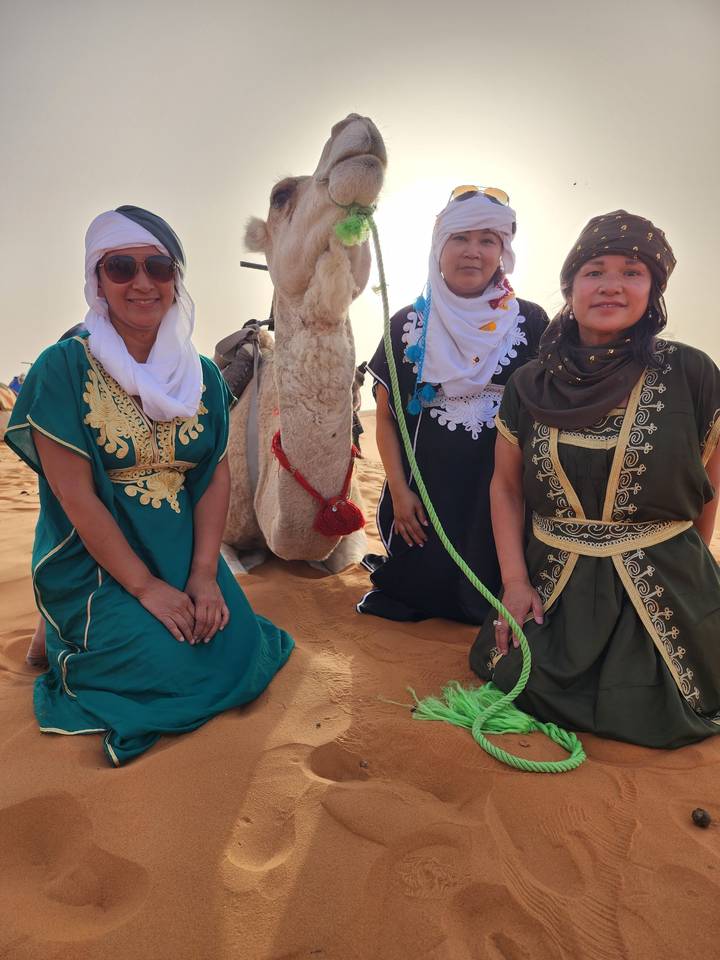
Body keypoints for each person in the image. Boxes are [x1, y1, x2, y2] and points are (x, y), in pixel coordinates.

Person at [4, 206, 294, 765]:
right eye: (121, 267)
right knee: (168, 670)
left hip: (183, 556)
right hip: (94, 561)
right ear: (98, 280)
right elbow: (76, 497)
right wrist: (145, 588)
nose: (142, 283)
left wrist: (204, 577)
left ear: (175, 280)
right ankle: (64, 628)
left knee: (234, 650)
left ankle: (81, 629)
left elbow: (213, 476)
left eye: (159, 267)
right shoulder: (63, 368)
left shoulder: (201, 376)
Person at [470, 210, 720, 748]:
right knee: (520, 678)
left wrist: (689, 581)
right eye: (594, 271)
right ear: (570, 286)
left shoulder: (691, 372)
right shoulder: (529, 383)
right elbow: (507, 488)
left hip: (665, 579)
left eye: (632, 272)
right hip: (554, 585)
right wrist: (514, 584)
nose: (610, 285)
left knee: (667, 709)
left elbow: (709, 484)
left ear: (653, 289)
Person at [357, 186, 548, 623]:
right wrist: (400, 490)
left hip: (501, 493)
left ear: (503, 250)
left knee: (495, 595)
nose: (472, 252)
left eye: (487, 240)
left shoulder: (532, 322)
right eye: (460, 238)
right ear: (439, 246)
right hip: (424, 497)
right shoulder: (408, 323)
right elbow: (386, 417)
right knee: (416, 590)